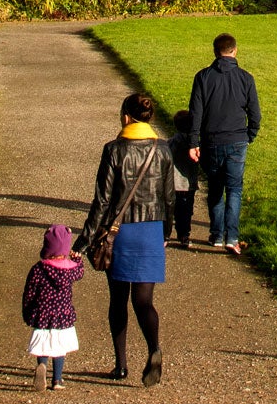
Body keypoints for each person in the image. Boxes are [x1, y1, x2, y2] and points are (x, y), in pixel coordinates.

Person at [75, 91, 177, 385]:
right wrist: (166, 233)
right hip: (150, 229)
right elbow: (170, 197)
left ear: (125, 117)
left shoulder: (114, 150)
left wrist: (84, 240)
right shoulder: (164, 150)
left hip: (119, 233)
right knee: (144, 301)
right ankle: (154, 348)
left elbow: (102, 201)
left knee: (118, 300)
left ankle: (120, 365)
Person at [187, 32, 261, 253]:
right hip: (237, 139)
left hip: (212, 140)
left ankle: (217, 235)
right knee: (235, 189)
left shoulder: (203, 77)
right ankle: (232, 236)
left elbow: (196, 113)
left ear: (215, 51)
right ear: (235, 51)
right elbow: (255, 113)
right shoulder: (246, 78)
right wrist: (251, 134)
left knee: (216, 188)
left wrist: (193, 142)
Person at [20, 224, 83, 391]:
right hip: (63, 314)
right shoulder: (70, 270)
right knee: (59, 346)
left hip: (42, 313)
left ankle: (42, 366)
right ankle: (57, 379)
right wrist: (77, 259)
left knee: (43, 344)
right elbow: (80, 272)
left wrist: (27, 311)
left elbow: (29, 292)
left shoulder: (38, 269)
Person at [168, 109, 199, 249]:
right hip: (188, 183)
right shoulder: (194, 144)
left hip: (173, 182)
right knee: (186, 210)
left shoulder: (171, 142)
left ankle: (166, 234)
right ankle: (184, 235)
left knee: (171, 209)